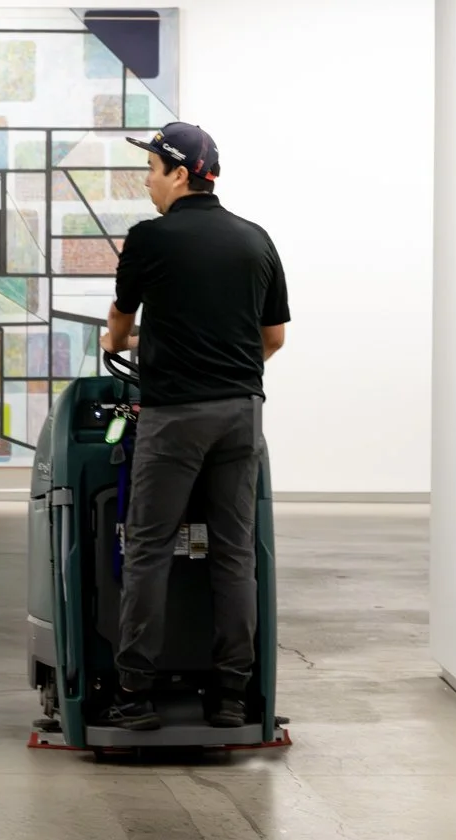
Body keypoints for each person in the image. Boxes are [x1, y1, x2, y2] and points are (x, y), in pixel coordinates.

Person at [97, 121, 290, 731]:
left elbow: (120, 325)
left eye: (152, 170)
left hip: (173, 418)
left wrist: (120, 342)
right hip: (241, 414)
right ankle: (231, 696)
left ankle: (135, 694)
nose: (147, 182)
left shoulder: (149, 239)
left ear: (180, 174)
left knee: (148, 549)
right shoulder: (255, 241)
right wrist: (222, 367)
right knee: (234, 553)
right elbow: (273, 338)